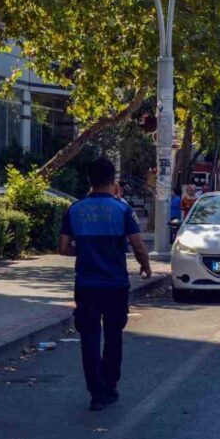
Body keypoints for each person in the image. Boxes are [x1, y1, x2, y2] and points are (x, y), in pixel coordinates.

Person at [58, 158, 152, 411]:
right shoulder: (122, 210)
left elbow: (63, 248)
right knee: (113, 336)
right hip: (115, 285)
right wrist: (145, 266)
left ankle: (96, 392)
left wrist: (87, 250)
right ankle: (110, 386)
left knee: (89, 337)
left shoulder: (74, 209)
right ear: (113, 182)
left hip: (86, 284)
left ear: (89, 180)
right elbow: (138, 245)